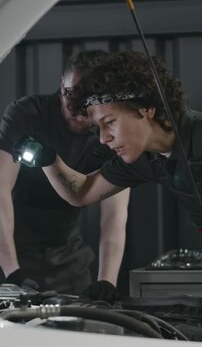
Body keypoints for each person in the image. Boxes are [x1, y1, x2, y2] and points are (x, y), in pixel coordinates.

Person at [0, 50, 130, 302]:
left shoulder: (110, 134)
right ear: (62, 83)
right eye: (70, 93)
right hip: (10, 246)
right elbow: (0, 189)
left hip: (67, 254)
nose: (74, 105)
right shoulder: (27, 114)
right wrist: (11, 270)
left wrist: (107, 280)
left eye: (86, 98)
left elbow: (114, 214)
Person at [40, 50, 202, 238]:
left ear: (146, 109)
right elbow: (82, 192)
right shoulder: (144, 160)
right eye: (97, 127)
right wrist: (47, 159)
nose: (102, 138)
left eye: (109, 122)